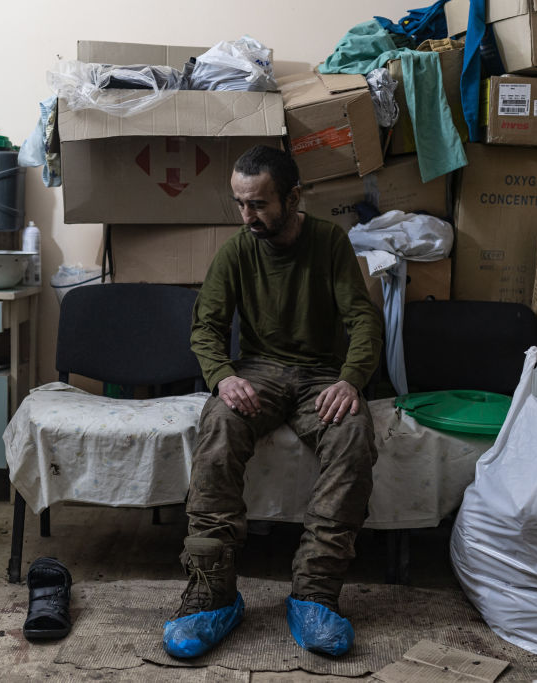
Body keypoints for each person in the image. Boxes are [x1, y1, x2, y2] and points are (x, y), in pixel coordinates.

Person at [162, 145, 383, 658]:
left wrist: (350, 380)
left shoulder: (329, 243)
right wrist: (221, 378)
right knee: (217, 426)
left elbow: (363, 319)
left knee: (353, 433)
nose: (248, 216)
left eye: (259, 204)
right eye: (240, 203)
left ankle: (315, 594)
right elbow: (207, 326)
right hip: (257, 373)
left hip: (319, 377)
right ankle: (211, 596)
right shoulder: (238, 249)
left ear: (294, 196)